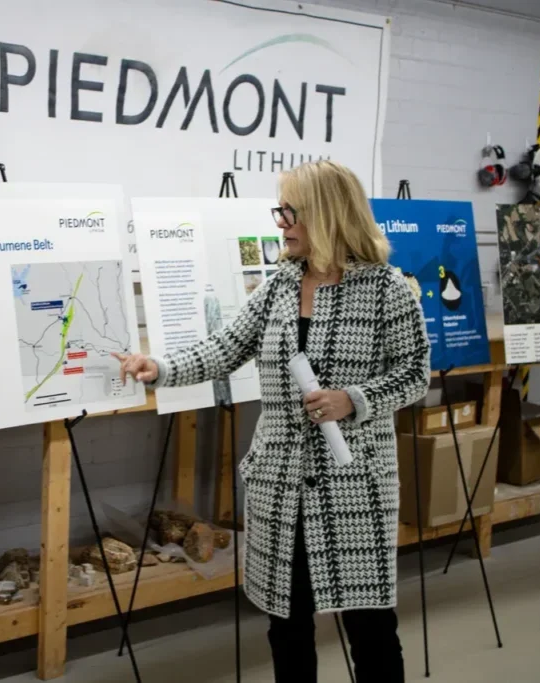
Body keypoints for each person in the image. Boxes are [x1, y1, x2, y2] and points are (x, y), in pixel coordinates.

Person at [115, 160, 430, 682]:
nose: (280, 222)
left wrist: (353, 399)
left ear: (326, 215)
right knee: (286, 625)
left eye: (290, 212)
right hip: (279, 483)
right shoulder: (280, 285)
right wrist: (161, 369)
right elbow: (224, 348)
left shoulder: (386, 289)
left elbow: (414, 374)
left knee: (370, 628)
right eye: (280, 210)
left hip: (355, 486)